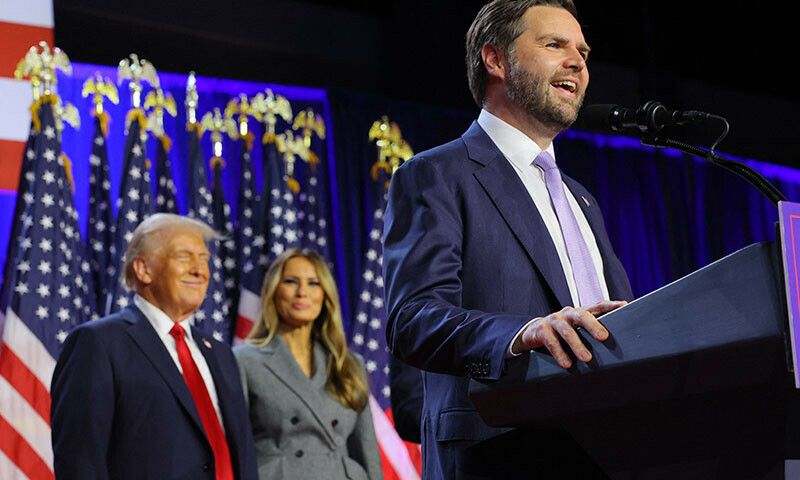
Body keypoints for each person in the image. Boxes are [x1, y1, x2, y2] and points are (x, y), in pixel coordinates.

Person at [382, 1, 635, 478]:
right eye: (554, 45)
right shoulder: (436, 174)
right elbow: (412, 319)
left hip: (609, 454)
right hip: (499, 454)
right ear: (495, 60)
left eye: (582, 50)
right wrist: (521, 334)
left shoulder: (582, 201)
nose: (577, 62)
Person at [51, 213, 258, 480]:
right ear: (143, 269)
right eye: (184, 257)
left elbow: (242, 455)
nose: (200, 270)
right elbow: (80, 463)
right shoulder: (98, 343)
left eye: (204, 258)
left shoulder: (219, 353)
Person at [234, 248, 382, 480]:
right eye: (291, 282)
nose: (302, 292)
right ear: (273, 291)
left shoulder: (350, 364)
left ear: (325, 294)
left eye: (313, 283)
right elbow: (236, 445)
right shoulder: (243, 360)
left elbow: (366, 449)